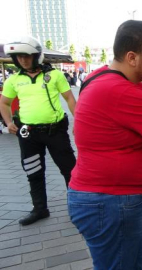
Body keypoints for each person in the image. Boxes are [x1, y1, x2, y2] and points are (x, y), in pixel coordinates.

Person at [67, 20, 142, 269]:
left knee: (133, 261)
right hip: (110, 202)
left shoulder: (105, 77)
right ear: (132, 57)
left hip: (110, 200)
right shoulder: (118, 90)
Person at [0, 36, 77, 225]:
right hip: (28, 134)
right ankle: (40, 209)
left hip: (55, 131)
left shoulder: (55, 75)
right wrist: (8, 122)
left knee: (70, 170)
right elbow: (4, 102)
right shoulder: (14, 80)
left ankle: (77, 207)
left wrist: (80, 122)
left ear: (37, 56)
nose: (23, 60)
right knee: (33, 172)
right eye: (19, 57)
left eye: (27, 56)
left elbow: (69, 99)